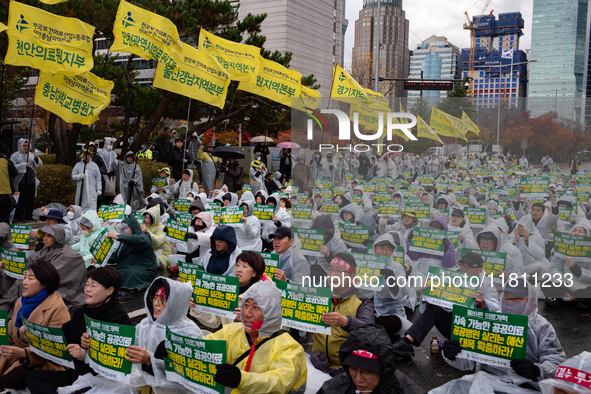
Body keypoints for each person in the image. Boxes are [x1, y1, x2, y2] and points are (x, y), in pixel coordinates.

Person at [437, 279, 566, 393]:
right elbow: (468, 360)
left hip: (526, 386)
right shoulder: (489, 320)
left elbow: (556, 362)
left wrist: (536, 371)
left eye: (517, 299)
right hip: (486, 382)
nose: (510, 302)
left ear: (532, 305)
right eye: (507, 297)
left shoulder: (542, 327)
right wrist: (453, 353)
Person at [26, 266, 131, 394]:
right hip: (77, 374)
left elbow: (117, 364)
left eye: (93, 285)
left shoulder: (118, 318)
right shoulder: (81, 312)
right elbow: (61, 337)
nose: (87, 289)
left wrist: (85, 354)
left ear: (109, 290)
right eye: (86, 284)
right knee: (33, 377)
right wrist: (33, 335)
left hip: (103, 380)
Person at [205, 281, 307, 394]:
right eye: (246, 305)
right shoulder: (231, 331)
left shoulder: (289, 347)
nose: (247, 313)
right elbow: (204, 347)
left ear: (271, 313)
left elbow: (278, 382)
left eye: (256, 307)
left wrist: (241, 380)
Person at [392, 252, 499, 358]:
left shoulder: (486, 284)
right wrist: (428, 292)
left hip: (472, 328)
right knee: (434, 309)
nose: (464, 269)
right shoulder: (450, 276)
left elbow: (497, 307)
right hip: (452, 323)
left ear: (480, 270)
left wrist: (483, 303)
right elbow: (437, 301)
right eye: (463, 265)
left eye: (469, 267)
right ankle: (407, 342)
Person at [0, 261, 69, 390]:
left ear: (44, 284)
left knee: (11, 380)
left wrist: (23, 352)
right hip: (18, 355)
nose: (24, 282)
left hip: (45, 362)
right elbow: (9, 332)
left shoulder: (57, 308)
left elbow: (54, 347)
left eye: (30, 278)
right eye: (25, 276)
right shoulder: (21, 301)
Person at [128, 277, 203, 392]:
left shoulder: (189, 332)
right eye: (154, 298)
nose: (156, 304)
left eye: (163, 300)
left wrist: (150, 361)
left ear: (175, 303)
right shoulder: (144, 325)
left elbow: (189, 376)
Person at [311, 254, 375, 375]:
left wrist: (345, 322)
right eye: (330, 269)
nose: (333, 274)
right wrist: (285, 286)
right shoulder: (318, 294)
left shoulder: (362, 302)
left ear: (352, 277)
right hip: (317, 361)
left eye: (339, 271)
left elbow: (369, 330)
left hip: (345, 368)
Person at [318, 325, 426, 394]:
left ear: (383, 371)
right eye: (354, 369)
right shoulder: (334, 388)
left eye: (367, 372)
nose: (359, 379)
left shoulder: (405, 390)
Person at [28, 225, 87, 309]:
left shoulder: (67, 256)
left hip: (60, 292)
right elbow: (29, 260)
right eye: (44, 235)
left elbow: (48, 275)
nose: (45, 238)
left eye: (49, 236)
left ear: (57, 238)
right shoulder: (46, 250)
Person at [105, 214, 157, 290]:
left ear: (133, 227)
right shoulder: (125, 240)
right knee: (107, 270)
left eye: (125, 228)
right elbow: (117, 255)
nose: (123, 230)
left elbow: (138, 240)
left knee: (128, 272)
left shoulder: (143, 237)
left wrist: (118, 237)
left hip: (143, 270)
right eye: (121, 228)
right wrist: (102, 258)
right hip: (126, 266)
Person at [547, 220, 591, 308]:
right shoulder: (561, 249)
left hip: (583, 284)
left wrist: (576, 269)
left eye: (581, 231)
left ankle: (566, 298)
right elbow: (554, 269)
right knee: (546, 282)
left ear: (586, 235)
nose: (577, 233)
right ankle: (576, 298)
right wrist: (562, 286)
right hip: (565, 282)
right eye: (574, 231)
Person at [11, 138, 43, 223]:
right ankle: (20, 216)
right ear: (19, 146)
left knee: (30, 199)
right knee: (21, 200)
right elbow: (12, 167)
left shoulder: (31, 155)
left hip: (31, 181)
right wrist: (23, 165)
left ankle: (29, 215)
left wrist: (36, 158)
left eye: (27, 145)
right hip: (21, 181)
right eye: (24, 145)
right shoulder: (15, 156)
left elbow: (38, 165)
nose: (26, 147)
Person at [0, 150, 17, 224]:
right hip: (5, 194)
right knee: (4, 220)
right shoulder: (6, 161)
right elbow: (14, 173)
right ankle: (4, 235)